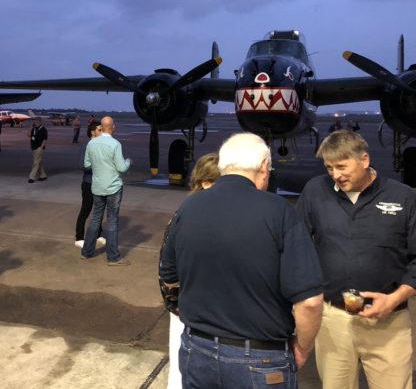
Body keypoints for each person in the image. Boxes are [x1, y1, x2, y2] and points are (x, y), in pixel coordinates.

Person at [160, 133, 324, 388]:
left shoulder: (187, 208)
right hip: (260, 357)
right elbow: (311, 302)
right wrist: (302, 348)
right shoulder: (281, 212)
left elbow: (169, 278)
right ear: (263, 167)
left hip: (196, 349)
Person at [297, 129, 416, 389]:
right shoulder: (315, 191)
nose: (335, 175)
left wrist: (396, 298)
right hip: (333, 320)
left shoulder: (404, 198)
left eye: (341, 166)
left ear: (364, 160)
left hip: (390, 322)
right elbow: (298, 247)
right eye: (329, 168)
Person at [160, 153, 220, 389]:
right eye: (222, 181)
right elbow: (167, 271)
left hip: (206, 311)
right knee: (182, 371)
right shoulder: (187, 217)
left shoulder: (192, 212)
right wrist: (178, 304)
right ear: (205, 183)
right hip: (189, 310)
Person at [80, 116, 131, 265]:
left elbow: (87, 164)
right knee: (112, 221)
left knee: (96, 218)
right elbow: (122, 168)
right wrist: (128, 162)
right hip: (113, 187)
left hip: (97, 187)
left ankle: (87, 252)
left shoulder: (92, 143)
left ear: (102, 127)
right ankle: (113, 257)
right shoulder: (115, 144)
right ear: (113, 127)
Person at [74, 121, 105, 248]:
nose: (102, 132)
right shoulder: (87, 146)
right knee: (86, 209)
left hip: (100, 183)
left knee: (99, 210)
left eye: (102, 130)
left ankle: (98, 234)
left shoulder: (103, 145)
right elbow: (82, 165)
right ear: (92, 132)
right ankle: (79, 237)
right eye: (99, 130)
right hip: (89, 183)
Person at [28, 117, 48, 183]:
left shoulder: (43, 130)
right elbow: (28, 135)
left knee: (35, 163)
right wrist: (31, 127)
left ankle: (31, 177)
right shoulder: (34, 128)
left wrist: (41, 147)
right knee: (39, 162)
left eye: (37, 122)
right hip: (33, 148)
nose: (35, 123)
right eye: (35, 122)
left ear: (40, 122)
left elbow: (45, 139)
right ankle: (43, 175)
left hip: (39, 148)